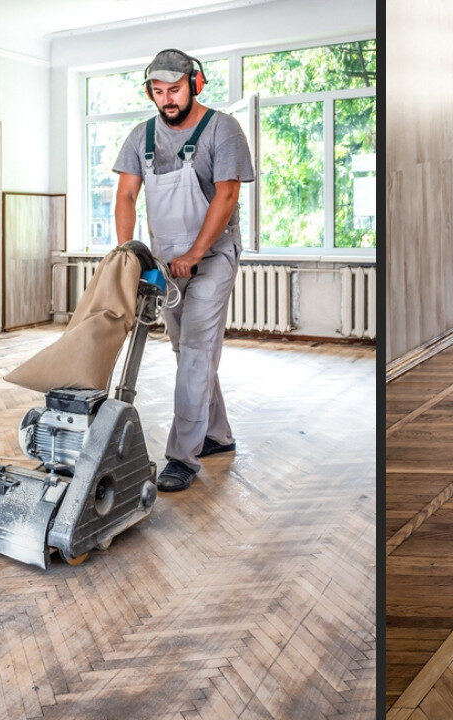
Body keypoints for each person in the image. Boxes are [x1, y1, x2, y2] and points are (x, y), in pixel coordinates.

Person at [112, 48, 255, 491]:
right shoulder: (142, 136)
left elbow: (226, 197)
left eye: (174, 90)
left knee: (194, 349)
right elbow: (125, 198)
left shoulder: (223, 130)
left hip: (212, 257)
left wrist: (195, 254)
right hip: (165, 262)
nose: (167, 99)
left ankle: (183, 457)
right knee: (187, 351)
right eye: (158, 91)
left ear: (196, 84)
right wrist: (128, 254)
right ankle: (216, 436)